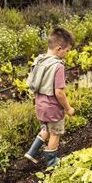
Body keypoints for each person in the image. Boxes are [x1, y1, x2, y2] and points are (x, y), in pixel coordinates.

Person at [24, 27, 75, 167]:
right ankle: (51, 161)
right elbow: (59, 92)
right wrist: (68, 108)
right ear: (59, 49)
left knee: (46, 128)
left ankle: (32, 152)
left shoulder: (39, 60)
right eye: (67, 50)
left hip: (40, 105)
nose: (68, 53)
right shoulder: (58, 66)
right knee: (55, 133)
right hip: (53, 108)